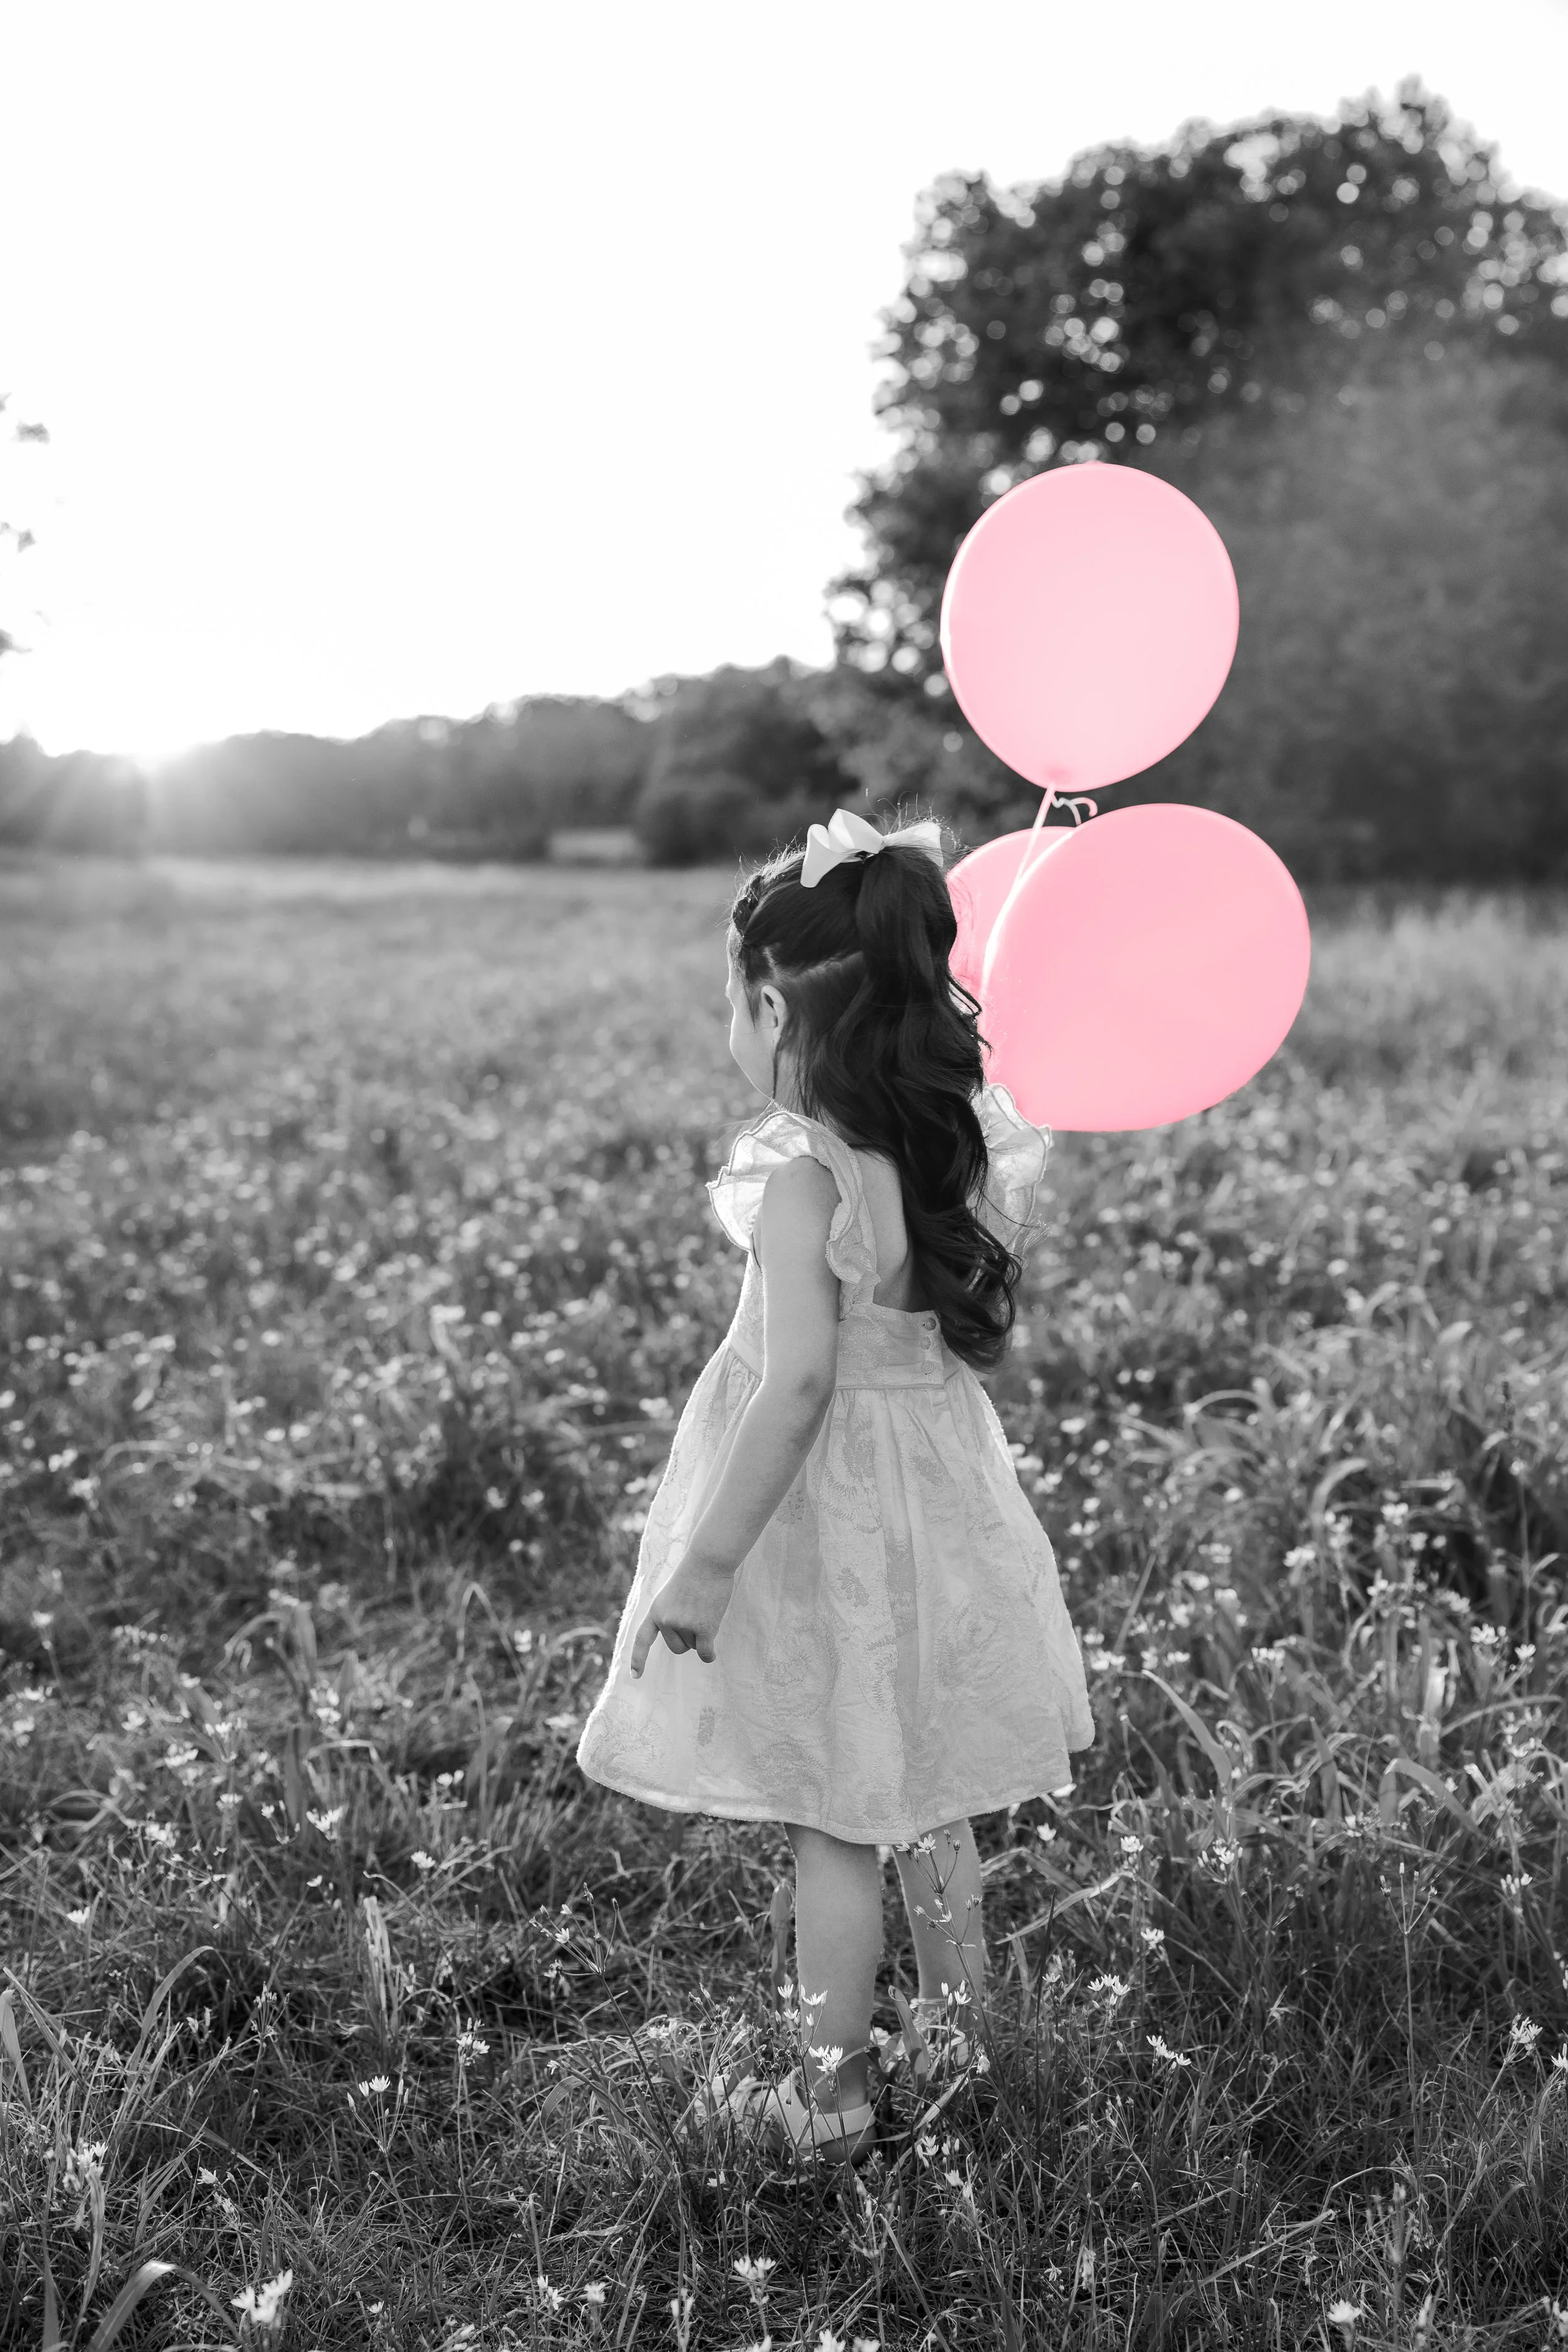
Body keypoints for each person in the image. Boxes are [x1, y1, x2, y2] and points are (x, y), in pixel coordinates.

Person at [574, 805, 1095, 2166]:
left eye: (729, 1008)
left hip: (822, 1519)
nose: (728, 1034)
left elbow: (793, 1387)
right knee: (926, 1791)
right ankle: (965, 2049)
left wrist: (706, 1560)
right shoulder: (944, 1150)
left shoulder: (803, 1182)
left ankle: (831, 2099)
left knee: (833, 1812)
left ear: (770, 1005)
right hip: (937, 1501)